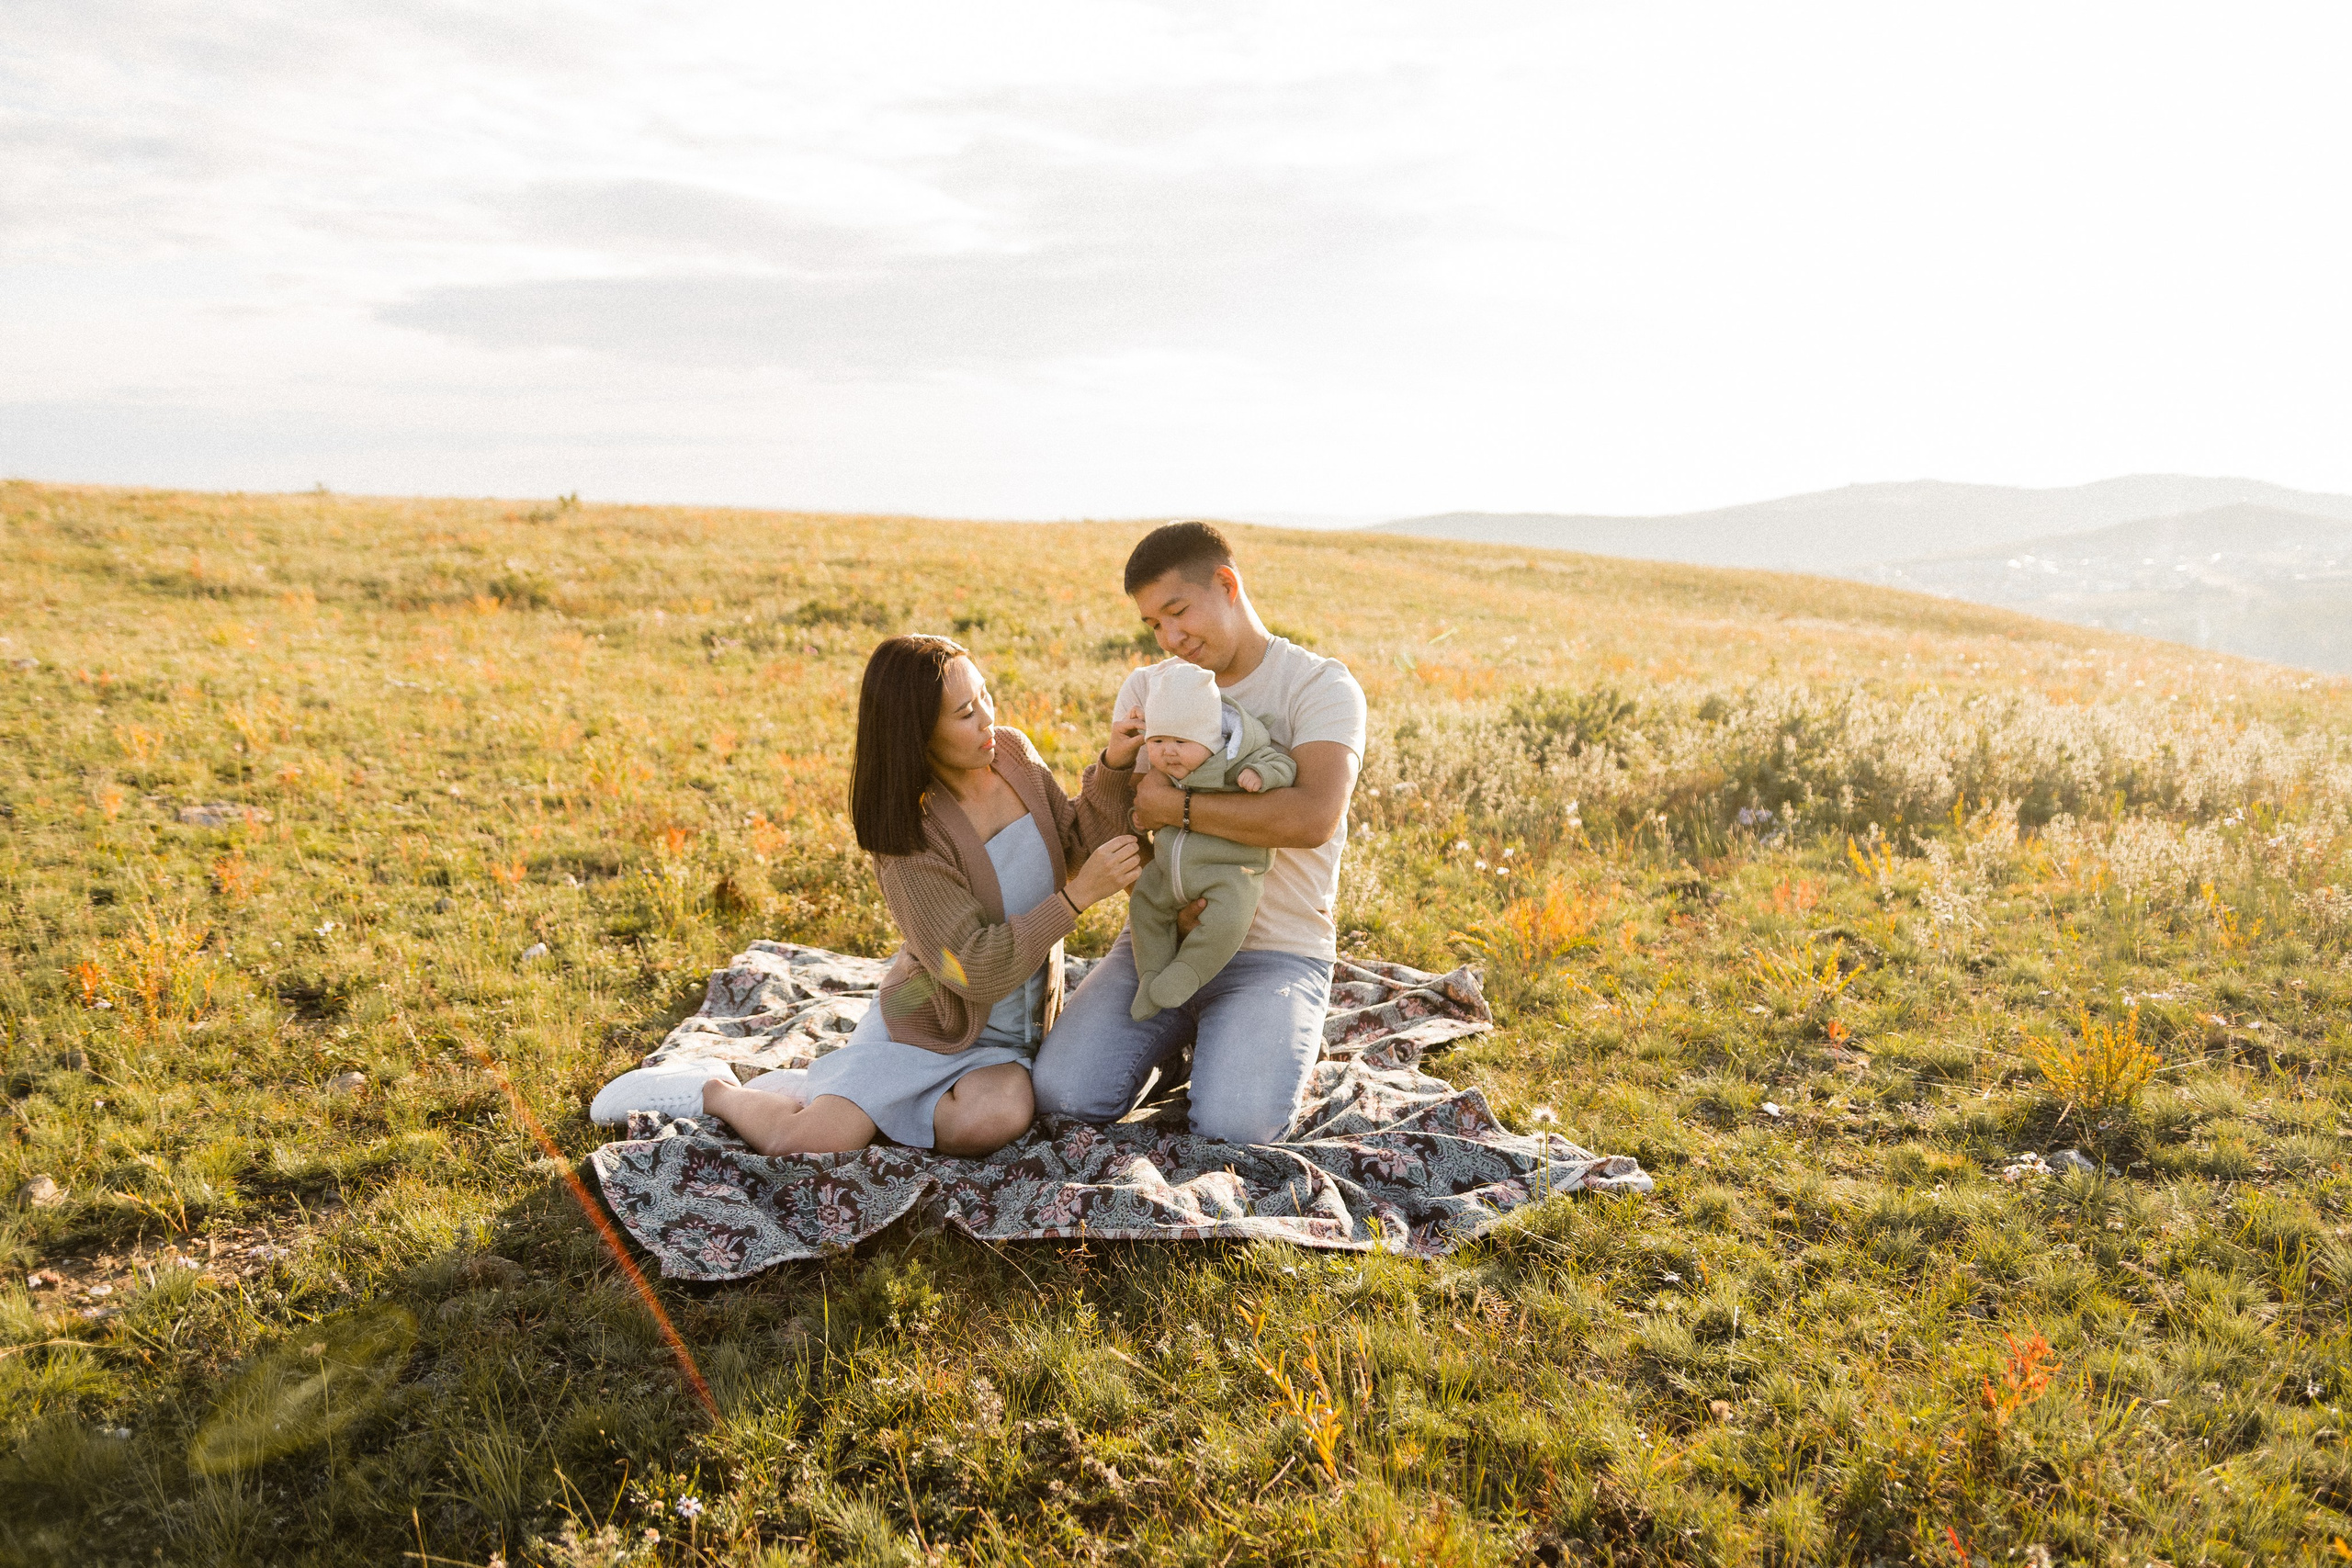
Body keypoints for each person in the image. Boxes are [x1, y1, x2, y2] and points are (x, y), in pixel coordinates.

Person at [592, 635, 1144, 1156]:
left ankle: (828, 1089)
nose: (988, 719)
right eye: (965, 713)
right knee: (808, 1143)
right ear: (917, 733)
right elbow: (968, 969)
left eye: (985, 695)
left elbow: (1073, 842)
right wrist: (1076, 901)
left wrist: (1115, 767)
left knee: (991, 1121)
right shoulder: (912, 833)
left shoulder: (1013, 757)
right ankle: (713, 1088)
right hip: (935, 1022)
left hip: (1009, 1037)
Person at [1031, 521, 1367, 1144]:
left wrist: (1178, 809)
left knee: (1235, 1126)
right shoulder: (1148, 688)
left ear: (1227, 583)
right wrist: (1110, 771)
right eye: (1154, 623)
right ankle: (1179, 1048)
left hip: (1276, 951)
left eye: (1178, 611)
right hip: (1160, 941)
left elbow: (1313, 816)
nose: (1170, 636)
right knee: (1062, 1096)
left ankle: (1248, 1041)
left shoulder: (1318, 686)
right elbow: (1125, 823)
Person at [1124, 660, 1296, 1021]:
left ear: (1209, 738)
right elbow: (1146, 804)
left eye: (1181, 741)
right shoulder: (1169, 771)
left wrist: (1261, 775)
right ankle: (1151, 974)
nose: (1168, 751)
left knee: (1229, 918)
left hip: (1228, 871)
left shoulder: (1235, 759)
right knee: (1143, 904)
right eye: (1157, 741)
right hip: (1168, 871)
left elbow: (1284, 765)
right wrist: (1140, 819)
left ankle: (1188, 971)